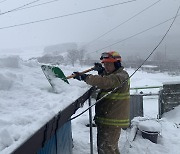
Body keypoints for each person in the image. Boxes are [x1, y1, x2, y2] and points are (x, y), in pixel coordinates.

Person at [73, 51, 130, 154]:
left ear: (117, 64)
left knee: (106, 150)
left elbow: (106, 82)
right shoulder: (115, 74)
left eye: (109, 64)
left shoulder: (122, 76)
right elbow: (107, 77)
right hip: (107, 119)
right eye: (105, 64)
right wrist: (101, 71)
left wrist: (85, 77)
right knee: (110, 149)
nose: (106, 66)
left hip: (112, 121)